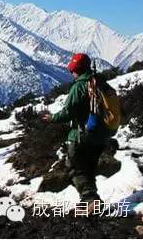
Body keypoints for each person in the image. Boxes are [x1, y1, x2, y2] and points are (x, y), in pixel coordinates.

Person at [41, 53, 111, 207]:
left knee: (75, 166)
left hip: (82, 134)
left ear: (75, 69)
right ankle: (92, 201)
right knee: (88, 168)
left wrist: (52, 118)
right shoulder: (99, 82)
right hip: (100, 134)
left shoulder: (79, 86)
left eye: (71, 70)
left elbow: (68, 112)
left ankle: (90, 201)